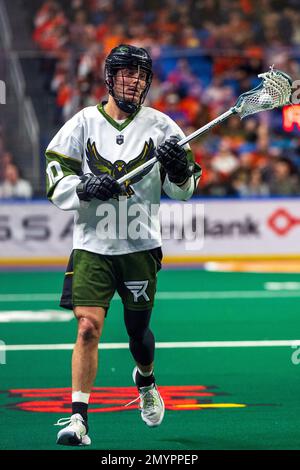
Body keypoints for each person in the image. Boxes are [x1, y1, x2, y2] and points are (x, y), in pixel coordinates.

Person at [46, 44, 201, 446]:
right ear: (109, 78)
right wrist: (83, 185)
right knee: (87, 327)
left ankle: (145, 380)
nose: (133, 80)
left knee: (138, 334)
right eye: (125, 73)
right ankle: (79, 419)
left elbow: (183, 190)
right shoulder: (82, 123)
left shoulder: (164, 127)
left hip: (139, 246)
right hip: (93, 245)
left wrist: (180, 168)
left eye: (139, 74)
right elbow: (54, 176)